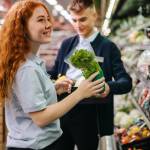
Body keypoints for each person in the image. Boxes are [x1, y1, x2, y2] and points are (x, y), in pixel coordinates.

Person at [0, 0, 105, 150]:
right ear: (22, 27)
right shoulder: (27, 69)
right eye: (41, 20)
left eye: (48, 19)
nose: (49, 25)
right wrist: (80, 93)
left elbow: (26, 100)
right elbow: (41, 118)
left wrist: (53, 88)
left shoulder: (30, 62)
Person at [48, 0, 132, 150]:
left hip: (90, 115)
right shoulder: (67, 44)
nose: (78, 25)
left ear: (95, 16)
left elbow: (126, 82)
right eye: (74, 20)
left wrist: (108, 86)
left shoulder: (108, 47)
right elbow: (54, 73)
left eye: (83, 19)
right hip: (62, 110)